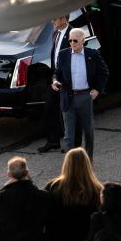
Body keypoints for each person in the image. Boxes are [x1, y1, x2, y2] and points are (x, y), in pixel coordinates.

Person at [52, 28, 109, 160]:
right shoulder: (63, 55)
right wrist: (55, 81)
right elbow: (57, 73)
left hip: (85, 96)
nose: (72, 43)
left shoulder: (92, 54)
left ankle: (88, 161)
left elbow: (104, 72)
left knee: (88, 131)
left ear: (83, 41)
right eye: (70, 40)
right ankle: (70, 165)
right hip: (68, 96)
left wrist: (97, 90)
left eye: (75, 41)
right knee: (69, 134)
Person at [38, 15, 81, 153]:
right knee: (50, 107)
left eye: (55, 19)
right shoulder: (55, 33)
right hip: (55, 78)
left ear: (63, 19)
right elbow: (54, 56)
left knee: (69, 113)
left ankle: (73, 145)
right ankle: (53, 141)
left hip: (68, 81)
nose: (52, 21)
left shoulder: (73, 34)